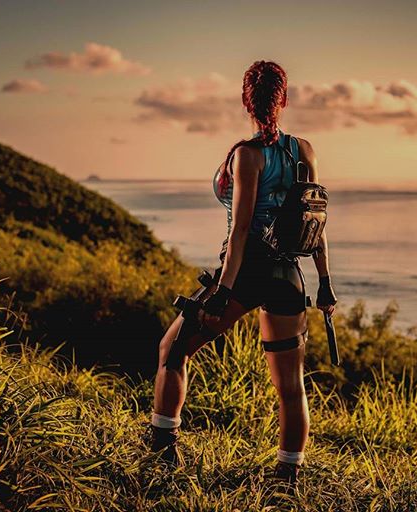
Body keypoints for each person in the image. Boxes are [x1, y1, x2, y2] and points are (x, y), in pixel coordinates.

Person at [147, 60, 337, 486]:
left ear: (245, 101)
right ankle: (287, 478)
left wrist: (223, 290)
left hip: (246, 272)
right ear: (284, 99)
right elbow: (315, 217)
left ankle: (161, 454)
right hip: (289, 275)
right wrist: (324, 282)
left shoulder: (246, 155)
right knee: (292, 386)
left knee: (172, 350)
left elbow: (242, 228)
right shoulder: (304, 150)